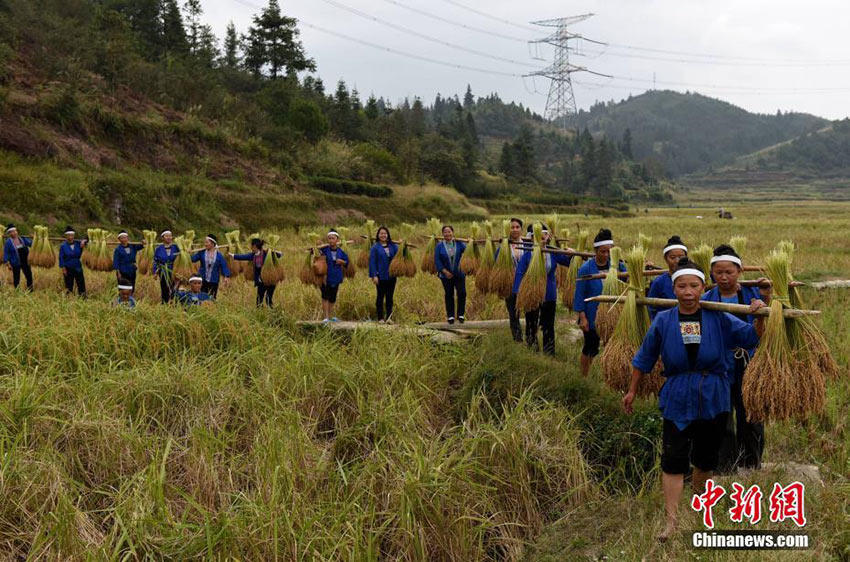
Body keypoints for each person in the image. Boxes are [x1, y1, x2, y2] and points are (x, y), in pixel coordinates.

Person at [623, 257, 765, 541]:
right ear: (674, 289)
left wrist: (760, 314)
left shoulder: (719, 316)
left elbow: (750, 337)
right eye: (682, 286)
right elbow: (644, 358)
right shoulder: (664, 321)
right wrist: (632, 390)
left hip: (713, 396)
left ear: (702, 288)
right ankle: (672, 521)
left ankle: (699, 507)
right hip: (677, 395)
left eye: (694, 286)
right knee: (673, 458)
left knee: (705, 459)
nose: (688, 292)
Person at [702, 244, 767, 472]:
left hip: (749, 363)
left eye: (729, 272)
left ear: (739, 271)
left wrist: (762, 307)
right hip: (719, 365)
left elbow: (767, 328)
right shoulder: (706, 299)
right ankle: (725, 466)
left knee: (750, 413)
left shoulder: (752, 296)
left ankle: (751, 463)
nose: (723, 277)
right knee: (722, 415)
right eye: (718, 272)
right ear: (712, 273)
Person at [512, 224, 572, 355]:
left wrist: (572, 254)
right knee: (531, 323)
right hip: (531, 294)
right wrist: (517, 292)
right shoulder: (528, 255)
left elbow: (568, 262)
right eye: (536, 236)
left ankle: (549, 352)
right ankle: (532, 350)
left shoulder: (553, 253)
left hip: (549, 293)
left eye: (542, 236)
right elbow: (519, 273)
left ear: (547, 236)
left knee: (548, 324)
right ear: (532, 238)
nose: (540, 239)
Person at [574, 228, 626, 376]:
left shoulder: (617, 266)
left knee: (611, 345)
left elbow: (627, 280)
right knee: (590, 347)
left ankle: (610, 375)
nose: (605, 255)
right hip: (592, 315)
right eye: (602, 251)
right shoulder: (586, 269)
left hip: (611, 314)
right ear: (595, 251)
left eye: (608, 251)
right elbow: (579, 294)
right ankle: (584, 376)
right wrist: (582, 317)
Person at [495, 217, 525, 341]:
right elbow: (496, 265)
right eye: (512, 227)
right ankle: (518, 339)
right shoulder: (503, 248)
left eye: (517, 227)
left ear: (521, 229)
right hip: (510, 285)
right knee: (513, 314)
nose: (515, 230)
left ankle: (531, 338)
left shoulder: (528, 244)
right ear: (508, 229)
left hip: (526, 284)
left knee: (530, 312)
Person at [231, 238, 281, 307]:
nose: (251, 247)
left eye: (251, 246)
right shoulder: (253, 255)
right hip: (261, 281)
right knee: (259, 299)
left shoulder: (267, 253)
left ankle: (272, 312)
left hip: (270, 280)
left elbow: (279, 255)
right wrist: (232, 255)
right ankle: (259, 313)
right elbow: (243, 256)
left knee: (268, 298)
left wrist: (273, 250)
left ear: (254, 246)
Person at [647, 235, 688, 319]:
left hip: (690, 323)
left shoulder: (692, 279)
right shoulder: (659, 282)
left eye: (681, 257)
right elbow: (651, 307)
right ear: (666, 259)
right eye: (672, 257)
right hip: (666, 324)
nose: (677, 261)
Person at [435, 225, 467, 324]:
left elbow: (468, 252)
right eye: (445, 232)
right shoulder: (439, 246)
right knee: (449, 294)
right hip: (445, 276)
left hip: (459, 274)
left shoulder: (459, 243)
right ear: (442, 234)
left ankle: (461, 314)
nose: (447, 234)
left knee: (462, 293)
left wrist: (471, 243)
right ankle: (451, 316)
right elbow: (437, 260)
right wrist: (445, 271)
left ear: (453, 233)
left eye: (449, 232)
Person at [368, 226, 398, 322]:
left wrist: (403, 246)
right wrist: (374, 276)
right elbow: (372, 262)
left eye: (385, 233)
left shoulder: (393, 246)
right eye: (381, 233)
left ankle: (389, 317)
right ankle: (380, 318)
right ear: (378, 235)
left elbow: (400, 256)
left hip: (392, 276)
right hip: (380, 276)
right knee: (380, 296)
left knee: (390, 297)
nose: (383, 235)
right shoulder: (375, 247)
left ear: (388, 235)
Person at [319, 230, 350, 322]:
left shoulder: (341, 251)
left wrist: (342, 262)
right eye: (329, 238)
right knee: (325, 296)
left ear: (337, 240)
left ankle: (331, 316)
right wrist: (316, 246)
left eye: (333, 238)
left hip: (336, 277)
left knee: (333, 297)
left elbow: (347, 262)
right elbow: (315, 254)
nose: (331, 240)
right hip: (325, 277)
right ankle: (326, 317)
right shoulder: (323, 250)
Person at [191, 234, 230, 298]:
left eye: (207, 242)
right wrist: (187, 254)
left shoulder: (219, 256)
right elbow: (193, 259)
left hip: (214, 280)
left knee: (212, 297)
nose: (205, 244)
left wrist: (226, 276)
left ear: (212, 244)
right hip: (202, 280)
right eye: (205, 242)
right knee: (201, 296)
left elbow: (224, 266)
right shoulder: (202, 253)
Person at [58, 226, 87, 297]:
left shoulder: (78, 244)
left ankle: (82, 296)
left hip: (77, 266)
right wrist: (63, 268)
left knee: (80, 282)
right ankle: (69, 296)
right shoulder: (63, 246)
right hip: (68, 267)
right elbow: (61, 257)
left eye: (71, 235)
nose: (70, 237)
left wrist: (85, 241)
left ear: (73, 235)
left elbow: (88, 239)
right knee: (69, 283)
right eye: (68, 235)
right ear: (66, 236)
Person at [153, 230, 180, 304]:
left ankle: (174, 302)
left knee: (175, 287)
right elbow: (155, 261)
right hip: (163, 271)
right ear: (162, 238)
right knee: (164, 287)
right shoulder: (158, 249)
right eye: (167, 236)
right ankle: (164, 303)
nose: (169, 237)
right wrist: (155, 272)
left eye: (170, 236)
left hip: (174, 270)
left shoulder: (176, 247)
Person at [3, 224, 34, 290]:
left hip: (25, 261)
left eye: (15, 231)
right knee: (16, 277)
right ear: (9, 233)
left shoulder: (22, 239)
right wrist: (7, 263)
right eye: (13, 231)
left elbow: (31, 244)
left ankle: (30, 290)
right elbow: (6, 253)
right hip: (15, 262)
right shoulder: (8, 242)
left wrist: (34, 238)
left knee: (29, 276)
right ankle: (17, 291)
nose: (15, 233)